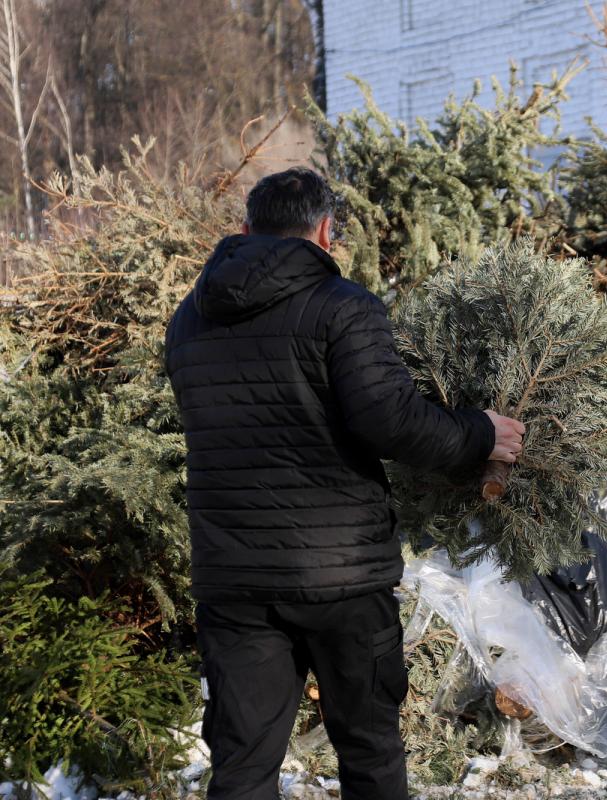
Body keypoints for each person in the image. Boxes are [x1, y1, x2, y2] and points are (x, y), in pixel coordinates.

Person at [165, 167, 524, 800]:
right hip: (340, 577)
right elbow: (392, 422)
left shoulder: (190, 321)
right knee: (368, 748)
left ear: (246, 230)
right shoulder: (343, 307)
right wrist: (480, 434)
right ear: (325, 231)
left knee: (243, 763)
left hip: (234, 577)